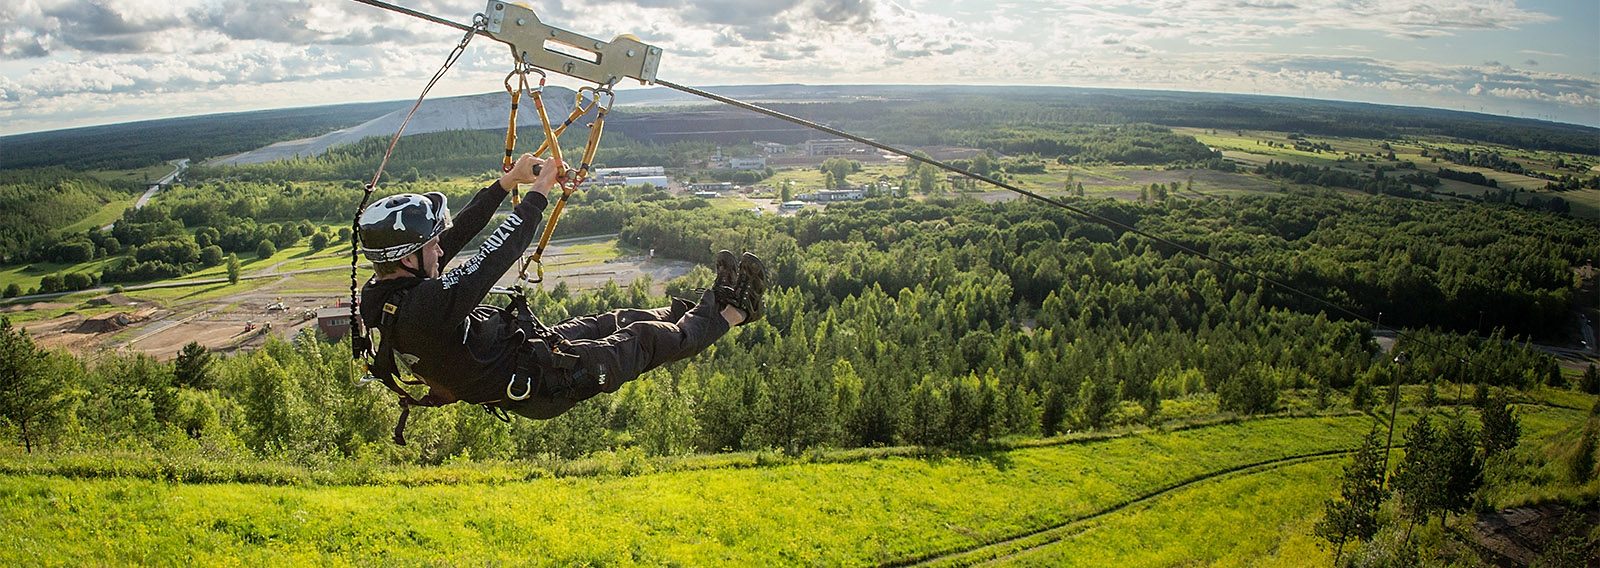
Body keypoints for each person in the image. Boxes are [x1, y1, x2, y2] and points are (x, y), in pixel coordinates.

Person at [356, 153, 766, 441]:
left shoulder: (389, 291)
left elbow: (456, 234)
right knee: (643, 338)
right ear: (408, 257)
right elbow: (494, 254)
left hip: (532, 352)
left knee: (617, 319)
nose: (441, 251)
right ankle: (733, 311)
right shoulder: (424, 308)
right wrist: (538, 192)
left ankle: (704, 308)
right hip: (544, 384)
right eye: (431, 248)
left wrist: (507, 182)